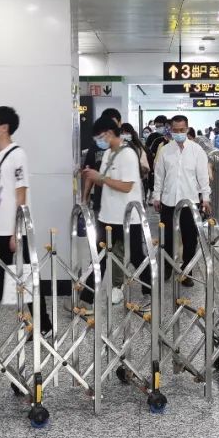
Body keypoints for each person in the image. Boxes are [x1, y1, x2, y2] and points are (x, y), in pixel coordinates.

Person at [0, 106, 52, 340]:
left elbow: (21, 194)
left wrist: (16, 232)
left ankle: (42, 325)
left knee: (25, 277)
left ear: (4, 127)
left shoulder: (18, 155)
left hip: (16, 230)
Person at [80, 117, 150, 305]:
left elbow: (126, 186)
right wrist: (91, 177)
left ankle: (150, 291)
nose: (98, 141)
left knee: (136, 256)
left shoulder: (128, 154)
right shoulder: (108, 153)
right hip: (107, 216)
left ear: (110, 133)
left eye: (99, 137)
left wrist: (100, 178)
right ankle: (86, 299)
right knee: (99, 257)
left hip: (127, 217)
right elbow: (105, 181)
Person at [153, 115, 211, 288]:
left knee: (190, 239)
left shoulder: (196, 150)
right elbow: (159, 176)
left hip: (189, 202)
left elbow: (203, 176)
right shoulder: (165, 150)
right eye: (175, 130)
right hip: (168, 201)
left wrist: (206, 198)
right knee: (167, 238)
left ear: (187, 129)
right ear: (170, 130)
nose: (178, 133)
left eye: (182, 130)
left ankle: (187, 272)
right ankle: (167, 268)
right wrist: (156, 196)